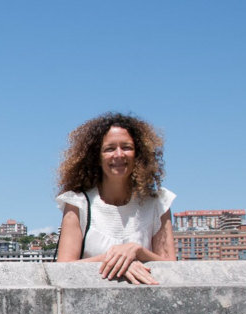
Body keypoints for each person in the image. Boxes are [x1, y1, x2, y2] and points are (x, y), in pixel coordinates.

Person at [55, 112, 175, 284]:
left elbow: (172, 269)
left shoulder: (159, 202)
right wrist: (120, 260)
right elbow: (63, 269)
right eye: (110, 149)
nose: (119, 155)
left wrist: (137, 251)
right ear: (97, 157)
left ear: (138, 154)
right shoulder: (78, 203)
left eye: (126, 147)